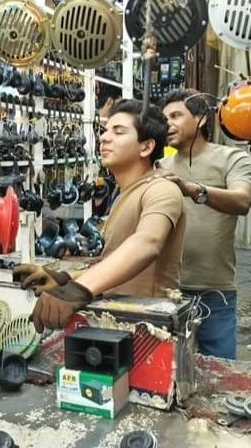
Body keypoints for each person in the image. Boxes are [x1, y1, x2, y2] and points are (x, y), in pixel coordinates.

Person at [17, 99, 186, 333]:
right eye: (106, 131)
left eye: (119, 132)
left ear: (146, 147)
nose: (104, 138)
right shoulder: (125, 193)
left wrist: (77, 289)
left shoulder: (161, 189)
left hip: (149, 331)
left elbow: (147, 243)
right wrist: (66, 278)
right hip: (117, 322)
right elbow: (115, 262)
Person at [159, 89, 251, 360]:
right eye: (164, 119)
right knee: (170, 370)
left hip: (215, 292)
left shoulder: (231, 158)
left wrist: (193, 189)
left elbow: (242, 200)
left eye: (176, 116)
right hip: (168, 291)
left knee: (219, 370)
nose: (168, 124)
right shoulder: (160, 166)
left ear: (200, 119)